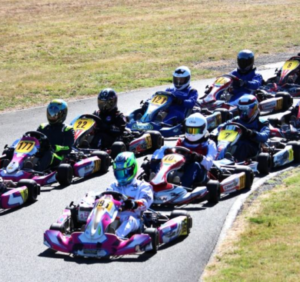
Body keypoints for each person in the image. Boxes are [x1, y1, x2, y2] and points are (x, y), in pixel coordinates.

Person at [150, 113, 217, 188]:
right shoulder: (181, 141)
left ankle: (184, 187)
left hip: (200, 175)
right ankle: (156, 180)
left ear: (203, 129)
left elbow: (209, 164)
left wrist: (199, 157)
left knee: (194, 165)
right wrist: (159, 156)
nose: (191, 133)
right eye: (189, 130)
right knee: (160, 159)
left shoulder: (209, 144)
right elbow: (166, 149)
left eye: (195, 130)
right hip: (179, 168)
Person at [106, 152, 153, 239]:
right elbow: (106, 199)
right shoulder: (113, 186)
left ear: (132, 169)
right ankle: (90, 234)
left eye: (124, 173)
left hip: (134, 219)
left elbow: (146, 202)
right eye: (119, 173)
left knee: (128, 219)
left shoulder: (143, 186)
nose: (121, 176)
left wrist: (133, 204)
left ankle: (116, 237)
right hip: (114, 217)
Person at [217, 94, 270, 162]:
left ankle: (235, 161)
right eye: (242, 111)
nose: (244, 114)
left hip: (255, 148)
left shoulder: (261, 122)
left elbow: (264, 136)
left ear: (255, 109)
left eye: (247, 111)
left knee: (243, 144)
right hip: (234, 143)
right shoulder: (236, 120)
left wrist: (252, 133)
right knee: (220, 141)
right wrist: (220, 129)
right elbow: (221, 126)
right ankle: (219, 157)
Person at [36, 99, 75, 171]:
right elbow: (35, 140)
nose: (52, 116)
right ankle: (12, 168)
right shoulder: (43, 127)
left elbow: (68, 148)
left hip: (58, 157)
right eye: (50, 113)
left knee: (48, 154)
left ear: (62, 115)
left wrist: (54, 147)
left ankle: (37, 171)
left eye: (55, 114)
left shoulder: (67, 129)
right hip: (41, 152)